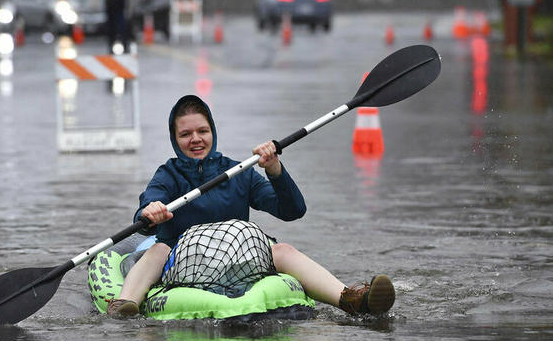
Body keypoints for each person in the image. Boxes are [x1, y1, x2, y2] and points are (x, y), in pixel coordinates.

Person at [107, 94, 395, 317]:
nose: (195, 139)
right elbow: (146, 206)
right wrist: (151, 210)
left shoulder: (238, 172)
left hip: (239, 256)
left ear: (212, 132)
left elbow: (293, 211)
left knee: (282, 249)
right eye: (185, 134)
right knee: (158, 248)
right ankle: (126, 304)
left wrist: (275, 169)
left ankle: (351, 299)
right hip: (184, 262)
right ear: (175, 139)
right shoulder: (167, 174)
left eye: (202, 131)